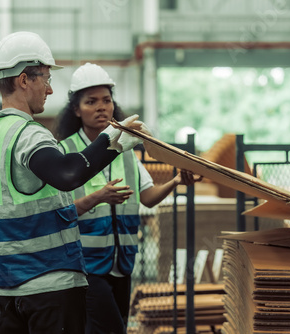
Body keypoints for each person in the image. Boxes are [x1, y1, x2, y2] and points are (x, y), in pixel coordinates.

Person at [0, 32, 146, 334]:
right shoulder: (28, 133)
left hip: (8, 286)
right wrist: (114, 140)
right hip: (48, 285)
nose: (50, 89)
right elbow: (68, 174)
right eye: (44, 78)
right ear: (23, 80)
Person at [55, 63, 202, 334]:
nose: (101, 107)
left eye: (106, 100)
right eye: (91, 101)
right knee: (111, 329)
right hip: (83, 266)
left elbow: (147, 198)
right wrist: (98, 197)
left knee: (112, 326)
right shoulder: (65, 154)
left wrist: (176, 181)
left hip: (121, 262)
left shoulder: (124, 150)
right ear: (76, 110)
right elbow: (57, 213)